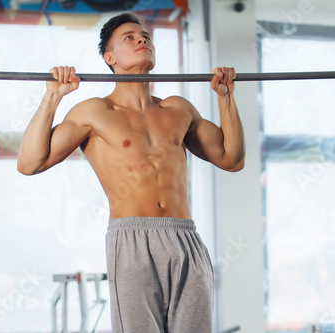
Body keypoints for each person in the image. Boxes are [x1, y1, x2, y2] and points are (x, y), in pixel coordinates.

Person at [17, 12, 245, 333]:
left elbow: (232, 159)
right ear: (109, 58)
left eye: (146, 36)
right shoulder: (95, 111)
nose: (142, 39)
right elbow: (30, 163)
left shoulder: (178, 109)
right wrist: (52, 96)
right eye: (130, 37)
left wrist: (226, 98)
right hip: (133, 238)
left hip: (186, 238)